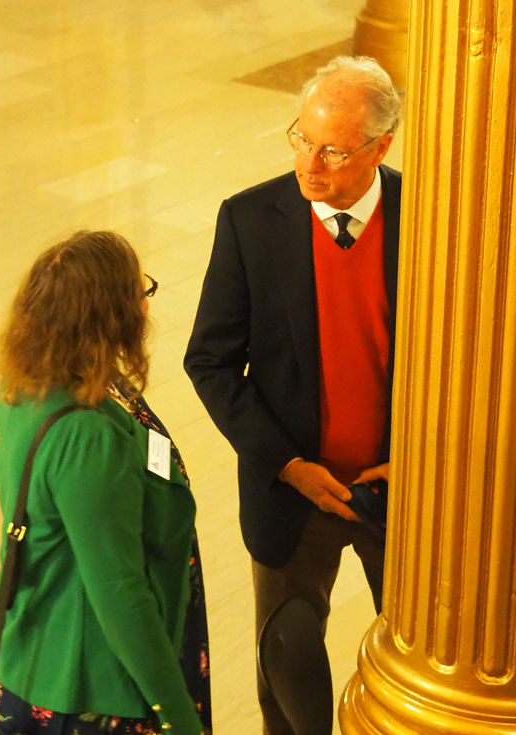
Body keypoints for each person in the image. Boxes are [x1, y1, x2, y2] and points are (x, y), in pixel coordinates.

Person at [183, 55, 401, 734]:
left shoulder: (430, 222)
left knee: (430, 658)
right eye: (301, 138)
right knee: (286, 678)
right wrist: (288, 464)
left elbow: (468, 363)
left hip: (402, 488)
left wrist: (420, 458)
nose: (311, 164)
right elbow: (211, 361)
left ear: (381, 146)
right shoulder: (250, 221)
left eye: (333, 150)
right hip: (292, 496)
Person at [0, 231, 210, 735]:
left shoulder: (29, 385)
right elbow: (119, 590)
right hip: (93, 684)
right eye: (140, 294)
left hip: (42, 649)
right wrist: (177, 714)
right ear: (110, 316)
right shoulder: (87, 437)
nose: (145, 308)